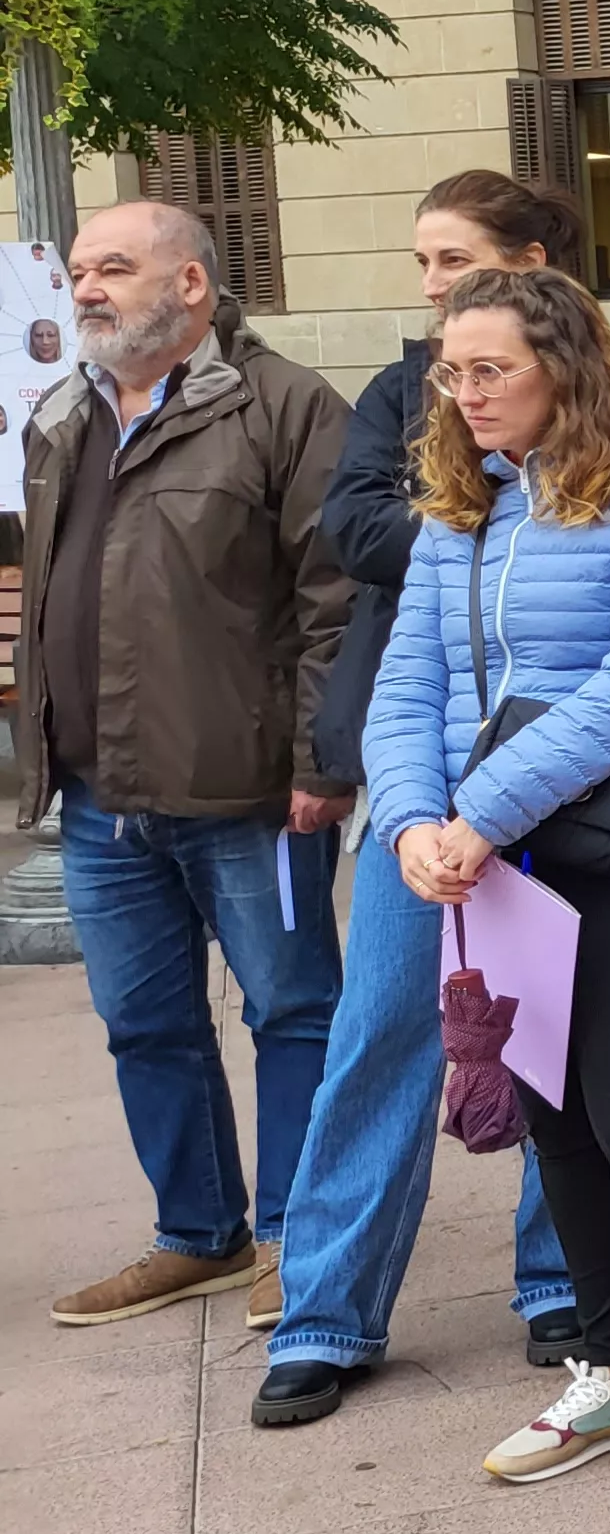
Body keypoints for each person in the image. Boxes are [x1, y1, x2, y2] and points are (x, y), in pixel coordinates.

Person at [361, 266, 610, 1512]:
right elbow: (407, 685)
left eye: (493, 370)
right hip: (490, 857)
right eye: (451, 370)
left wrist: (478, 812)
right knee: (556, 1120)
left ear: (567, 366)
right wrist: (411, 818)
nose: (465, 393)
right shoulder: (456, 508)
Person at [256, 172, 592, 1425]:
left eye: (453, 259)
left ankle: (560, 1284)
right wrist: (480, 515)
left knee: (550, 1042)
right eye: (422, 263)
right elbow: (353, 528)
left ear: (532, 264)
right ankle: (327, 1314)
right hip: (421, 778)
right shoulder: (410, 393)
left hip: (554, 785)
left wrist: (493, 523)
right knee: (378, 1038)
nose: (433, 286)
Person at [24, 200, 349, 1333]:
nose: (87, 289)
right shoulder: (65, 414)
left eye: (114, 267)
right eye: (79, 270)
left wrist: (324, 760)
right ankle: (198, 1235)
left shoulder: (288, 406)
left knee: (294, 1011)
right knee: (143, 1024)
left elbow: (338, 601)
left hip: (255, 792)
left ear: (193, 285)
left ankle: (297, 1242)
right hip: (100, 797)